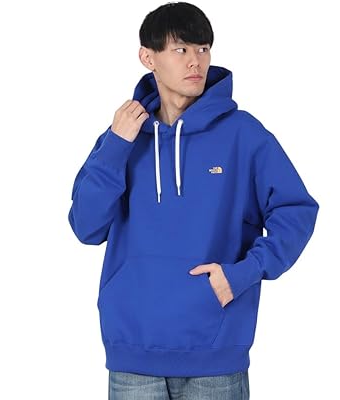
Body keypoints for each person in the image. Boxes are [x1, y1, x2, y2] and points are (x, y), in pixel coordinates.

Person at [67, 2, 319, 399]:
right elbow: (86, 226)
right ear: (148, 57)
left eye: (203, 49)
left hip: (215, 354)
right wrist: (116, 146)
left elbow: (295, 210)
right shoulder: (122, 137)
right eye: (181, 49)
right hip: (132, 351)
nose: (195, 62)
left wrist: (245, 272)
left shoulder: (243, 134)